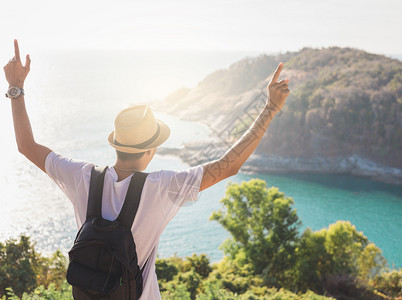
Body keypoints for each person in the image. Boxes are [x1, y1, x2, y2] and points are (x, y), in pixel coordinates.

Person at [4, 39, 290, 299]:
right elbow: (228, 166)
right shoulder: (161, 187)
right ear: (151, 150)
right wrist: (270, 109)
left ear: (116, 144)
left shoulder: (82, 176)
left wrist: (16, 89)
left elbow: (26, 146)